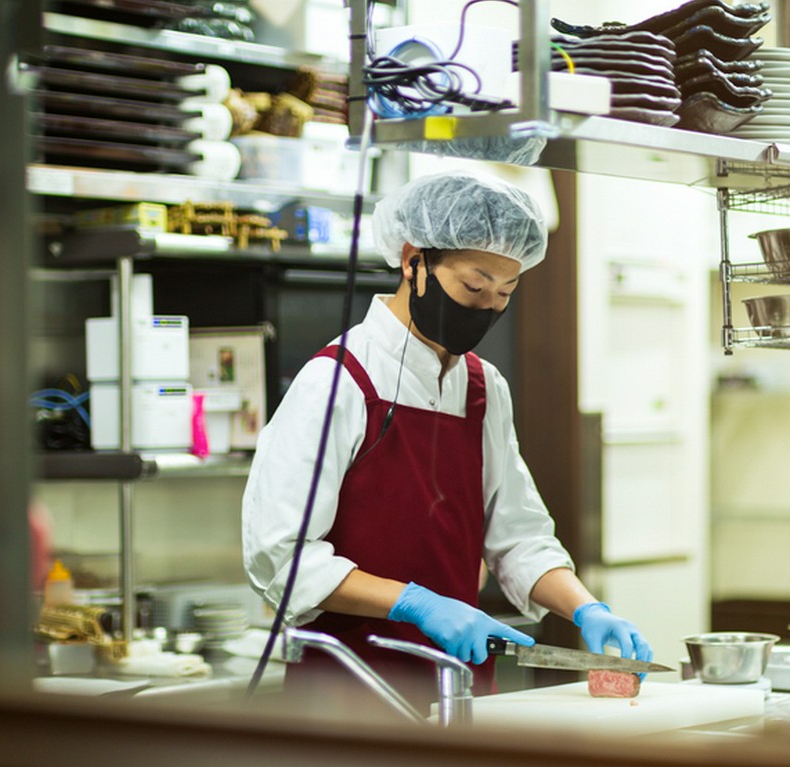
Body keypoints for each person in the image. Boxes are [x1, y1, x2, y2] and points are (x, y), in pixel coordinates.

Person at [242, 170, 652, 713]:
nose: (486, 307)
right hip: (348, 691)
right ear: (414, 261)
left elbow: (518, 539)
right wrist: (414, 604)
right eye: (473, 287)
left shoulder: (484, 389)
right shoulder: (338, 382)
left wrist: (586, 609)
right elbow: (281, 556)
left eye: (504, 293)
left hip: (458, 689)